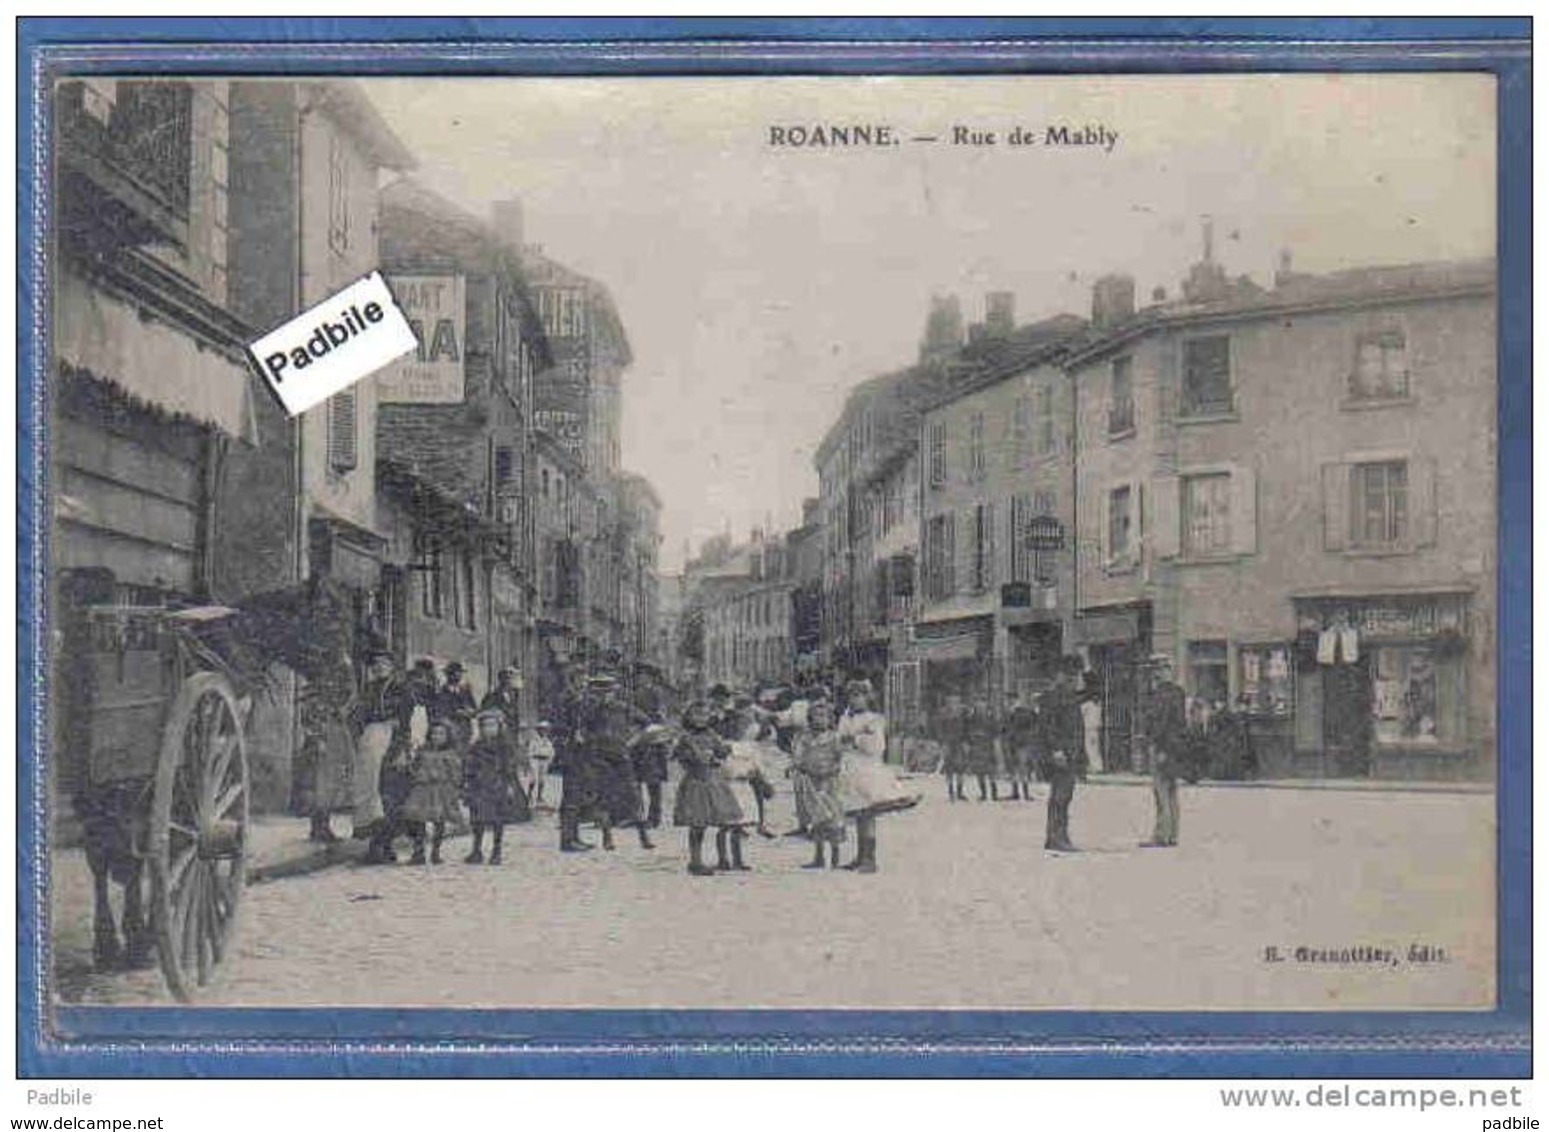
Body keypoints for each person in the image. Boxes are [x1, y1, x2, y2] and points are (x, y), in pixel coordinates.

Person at [836, 681, 918, 873]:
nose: (855, 700)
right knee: (858, 813)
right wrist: (848, 740)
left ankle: (870, 859)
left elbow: (877, 746)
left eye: (859, 696)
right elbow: (839, 741)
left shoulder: (874, 719)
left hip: (868, 770)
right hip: (851, 768)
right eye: (852, 696)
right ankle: (860, 855)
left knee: (868, 814)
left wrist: (855, 739)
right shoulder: (845, 718)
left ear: (867, 697)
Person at [349, 649, 415, 865]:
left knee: (389, 796)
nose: (379, 667)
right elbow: (360, 715)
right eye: (375, 664)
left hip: (392, 744)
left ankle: (386, 846)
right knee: (370, 793)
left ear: (392, 666)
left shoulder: (402, 689)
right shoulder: (368, 689)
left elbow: (407, 721)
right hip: (370, 744)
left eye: (384, 663)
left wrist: (400, 749)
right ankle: (374, 846)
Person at [580, 674, 654, 851]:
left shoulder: (624, 709)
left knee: (633, 796)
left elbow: (646, 724)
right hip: (600, 757)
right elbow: (582, 730)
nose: (603, 696)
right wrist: (590, 742)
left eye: (607, 692)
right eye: (599, 693)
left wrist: (632, 741)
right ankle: (608, 837)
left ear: (614, 693)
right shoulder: (590, 711)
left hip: (622, 756)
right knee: (604, 797)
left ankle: (644, 836)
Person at [671, 699, 740, 876]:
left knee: (724, 820)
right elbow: (680, 758)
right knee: (697, 824)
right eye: (697, 715)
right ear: (689, 717)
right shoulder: (686, 738)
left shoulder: (711, 734)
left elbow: (721, 751)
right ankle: (695, 860)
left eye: (705, 714)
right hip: (696, 782)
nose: (701, 718)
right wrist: (693, 756)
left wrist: (724, 751)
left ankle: (723, 858)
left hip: (714, 781)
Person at [463, 708, 527, 864]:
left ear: (499, 727)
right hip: (479, 785)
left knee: (498, 820)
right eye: (485, 726)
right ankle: (476, 850)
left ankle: (496, 851)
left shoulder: (504, 746)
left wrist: (510, 784)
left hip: (497, 785)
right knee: (477, 819)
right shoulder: (476, 745)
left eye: (492, 725)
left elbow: (510, 766)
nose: (488, 729)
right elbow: (469, 764)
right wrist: (467, 781)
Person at [1036, 657, 1087, 852]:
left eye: (1076, 675)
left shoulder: (1070, 696)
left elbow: (1094, 688)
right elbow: (1049, 727)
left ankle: (1059, 835)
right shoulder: (1052, 697)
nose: (1075, 679)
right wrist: (1056, 749)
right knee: (1060, 796)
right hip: (1061, 753)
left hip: (1071, 752)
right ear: (1061, 676)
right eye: (1071, 675)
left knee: (1065, 796)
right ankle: (1056, 837)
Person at [790, 699, 847, 870]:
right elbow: (797, 756)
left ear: (830, 719)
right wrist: (801, 766)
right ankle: (819, 855)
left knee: (833, 817)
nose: (820, 720)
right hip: (812, 780)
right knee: (817, 817)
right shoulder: (804, 737)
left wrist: (834, 769)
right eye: (816, 716)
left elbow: (841, 758)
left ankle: (836, 857)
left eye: (824, 716)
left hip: (831, 781)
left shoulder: (835, 737)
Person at [1141, 654, 1188, 848]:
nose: (1155, 674)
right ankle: (1173, 834)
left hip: (1162, 746)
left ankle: (1161, 834)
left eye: (1156, 670)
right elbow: (1180, 724)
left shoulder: (1161, 694)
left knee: (1161, 792)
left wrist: (1160, 747)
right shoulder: (1178, 692)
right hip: (1174, 748)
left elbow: (1162, 724)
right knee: (1171, 791)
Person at [401, 719, 462, 865]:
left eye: (441, 734)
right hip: (423, 789)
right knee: (417, 819)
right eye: (434, 733)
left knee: (439, 821)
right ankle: (418, 851)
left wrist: (454, 787)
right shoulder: (423, 751)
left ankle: (436, 852)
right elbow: (414, 767)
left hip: (441, 790)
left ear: (448, 736)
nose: (437, 737)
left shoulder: (451, 754)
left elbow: (455, 773)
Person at [628, 719, 674, 829]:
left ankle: (652, 819)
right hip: (647, 770)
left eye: (633, 726)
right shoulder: (644, 740)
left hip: (651, 771)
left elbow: (663, 756)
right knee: (650, 796)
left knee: (652, 796)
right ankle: (649, 818)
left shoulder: (647, 740)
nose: (631, 729)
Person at [1001, 690, 1039, 802]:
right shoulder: (1007, 713)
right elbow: (1004, 729)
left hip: (1022, 743)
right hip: (1011, 743)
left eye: (1011, 700)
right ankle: (1015, 792)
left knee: (1023, 768)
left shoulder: (1023, 712)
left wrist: (1027, 737)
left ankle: (1026, 793)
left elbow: (1032, 725)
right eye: (1008, 700)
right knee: (1013, 768)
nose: (1009, 702)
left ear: (1017, 700)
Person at [435, 660, 479, 745]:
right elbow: (440, 712)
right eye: (454, 673)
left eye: (459, 673)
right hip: (450, 729)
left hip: (466, 729)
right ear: (448, 675)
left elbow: (474, 708)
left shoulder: (466, 692)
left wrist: (470, 711)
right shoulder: (441, 693)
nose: (458, 676)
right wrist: (456, 713)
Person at [966, 695, 1000, 801]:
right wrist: (971, 739)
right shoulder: (971, 718)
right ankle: (983, 793)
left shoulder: (991, 717)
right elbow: (967, 731)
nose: (980, 705)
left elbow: (996, 731)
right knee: (979, 771)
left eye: (982, 703)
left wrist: (995, 745)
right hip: (976, 746)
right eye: (978, 703)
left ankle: (994, 792)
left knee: (991, 771)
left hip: (987, 745)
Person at [939, 695, 969, 802]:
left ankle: (960, 791)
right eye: (951, 701)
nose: (953, 704)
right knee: (949, 768)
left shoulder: (964, 716)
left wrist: (966, 742)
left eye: (956, 701)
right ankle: (951, 791)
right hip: (949, 743)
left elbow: (967, 729)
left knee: (961, 768)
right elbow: (941, 730)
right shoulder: (944, 716)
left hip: (960, 743)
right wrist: (943, 743)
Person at [480, 667, 523, 732]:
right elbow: (486, 707)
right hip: (499, 725)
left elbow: (513, 710)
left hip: (512, 726)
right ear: (500, 680)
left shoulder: (511, 695)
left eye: (509, 678)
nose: (507, 681)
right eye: (505, 678)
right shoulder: (494, 694)